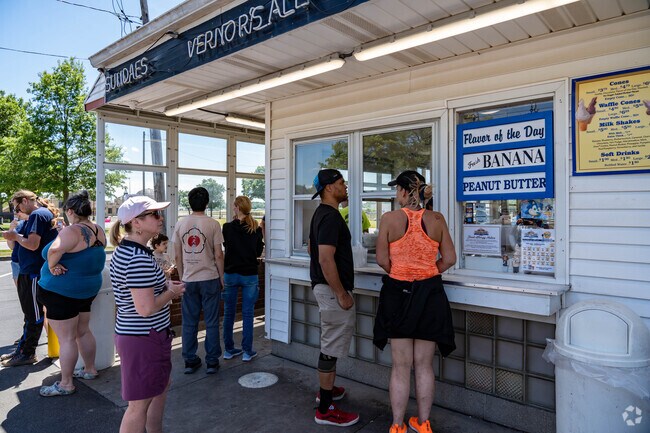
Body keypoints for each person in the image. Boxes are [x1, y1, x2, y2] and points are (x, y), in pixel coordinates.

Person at [373, 171, 457, 433]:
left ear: (403, 191)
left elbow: (382, 260)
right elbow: (450, 259)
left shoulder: (389, 219)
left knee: (400, 366)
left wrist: (402, 272)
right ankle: (423, 423)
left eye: (396, 189)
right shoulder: (437, 219)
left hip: (398, 294)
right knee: (423, 365)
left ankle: (397, 426)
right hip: (430, 294)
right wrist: (427, 272)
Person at [109, 196, 185, 433]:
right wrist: (171, 292)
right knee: (139, 405)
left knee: (158, 390)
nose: (159, 218)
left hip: (143, 335)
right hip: (144, 338)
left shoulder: (130, 251)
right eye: (154, 214)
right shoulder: (138, 258)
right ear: (136, 223)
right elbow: (146, 309)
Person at [37, 191, 107, 396]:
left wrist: (51, 266)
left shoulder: (72, 231)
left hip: (62, 292)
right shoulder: (98, 229)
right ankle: (90, 369)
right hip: (86, 290)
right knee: (82, 331)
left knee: (67, 339)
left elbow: (52, 251)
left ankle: (66, 383)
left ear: (70, 211)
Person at [308, 169, 360, 427]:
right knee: (329, 348)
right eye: (341, 183)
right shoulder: (329, 217)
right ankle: (326, 409)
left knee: (329, 344)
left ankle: (326, 391)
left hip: (325, 288)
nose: (345, 186)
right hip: (331, 291)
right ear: (329, 187)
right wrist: (341, 293)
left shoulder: (321, 214)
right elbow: (324, 258)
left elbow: (311, 248)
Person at [1, 190, 58, 367]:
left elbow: (32, 245)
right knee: (30, 313)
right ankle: (23, 351)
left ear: (25, 201)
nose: (17, 210)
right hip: (31, 270)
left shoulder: (37, 215)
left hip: (33, 271)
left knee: (33, 314)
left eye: (17, 206)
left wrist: (15, 236)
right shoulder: (39, 215)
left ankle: (27, 353)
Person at [172, 187, 225, 374]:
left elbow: (177, 256)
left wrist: (181, 276)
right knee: (211, 321)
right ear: (207, 203)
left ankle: (190, 359)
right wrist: (222, 277)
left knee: (189, 322)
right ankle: (212, 361)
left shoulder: (180, 224)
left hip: (189, 279)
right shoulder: (213, 224)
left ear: (189, 203)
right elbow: (219, 255)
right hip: (210, 278)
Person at [222, 196, 264, 362]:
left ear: (238, 208)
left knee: (228, 313)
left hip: (230, 274)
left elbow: (228, 247)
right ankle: (247, 351)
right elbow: (258, 252)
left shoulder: (227, 228)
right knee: (248, 314)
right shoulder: (256, 229)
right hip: (249, 274)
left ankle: (229, 349)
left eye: (234, 206)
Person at [7, 209, 27, 346]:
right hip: (16, 263)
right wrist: (11, 230)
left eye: (18, 210)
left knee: (35, 303)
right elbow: (11, 246)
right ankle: (26, 334)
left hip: (28, 265)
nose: (17, 213)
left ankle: (50, 335)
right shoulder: (18, 224)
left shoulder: (33, 223)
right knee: (24, 301)